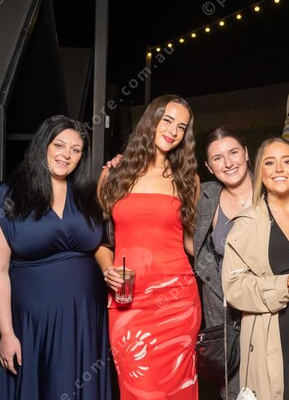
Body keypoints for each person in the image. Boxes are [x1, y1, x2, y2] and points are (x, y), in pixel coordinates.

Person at [0, 115, 111, 400]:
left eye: (76, 150)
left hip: (85, 320)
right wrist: (7, 333)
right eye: (59, 145)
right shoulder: (6, 196)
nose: (66, 155)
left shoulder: (89, 195)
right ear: (43, 145)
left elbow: (106, 243)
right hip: (32, 323)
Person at [97, 94, 201, 399]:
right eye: (167, 120)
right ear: (151, 121)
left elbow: (192, 243)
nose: (173, 131)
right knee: (138, 387)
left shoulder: (187, 179)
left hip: (178, 299)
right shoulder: (113, 175)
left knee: (178, 389)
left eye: (181, 127)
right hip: (128, 301)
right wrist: (107, 269)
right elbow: (100, 240)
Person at [222, 138, 289, 400]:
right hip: (267, 336)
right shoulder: (246, 223)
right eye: (269, 162)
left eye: (287, 161)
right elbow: (233, 288)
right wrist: (281, 287)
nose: (279, 169)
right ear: (260, 171)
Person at [193, 127, 252, 399]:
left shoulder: (272, 187)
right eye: (218, 158)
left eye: (233, 153)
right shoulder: (205, 197)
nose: (228, 163)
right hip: (225, 311)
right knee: (234, 389)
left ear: (246, 154)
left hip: (270, 308)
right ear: (208, 166)